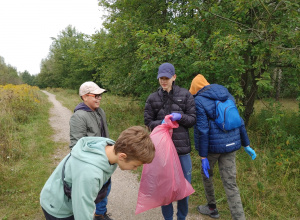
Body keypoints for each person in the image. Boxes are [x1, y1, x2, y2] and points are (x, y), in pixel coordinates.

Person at [40, 126, 155, 220]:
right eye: (135, 165)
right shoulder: (90, 174)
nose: (135, 169)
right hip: (58, 208)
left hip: (66, 194)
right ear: (122, 156)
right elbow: (82, 211)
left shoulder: (109, 147)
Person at [189, 74, 257, 220]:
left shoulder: (199, 100)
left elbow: (202, 129)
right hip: (232, 146)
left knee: (207, 175)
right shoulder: (228, 95)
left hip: (212, 149)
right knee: (231, 183)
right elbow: (239, 121)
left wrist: (202, 156)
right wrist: (246, 144)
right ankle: (239, 218)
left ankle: (212, 209)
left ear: (195, 88)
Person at [144, 62, 196, 220]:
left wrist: (180, 118)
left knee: (184, 188)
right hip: (162, 152)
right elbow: (148, 121)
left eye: (167, 78)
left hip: (182, 150)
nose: (163, 81)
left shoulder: (185, 95)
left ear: (174, 77)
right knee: (164, 189)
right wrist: (160, 124)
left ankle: (181, 217)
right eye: (161, 78)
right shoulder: (153, 98)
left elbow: (193, 119)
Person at [69, 81, 111, 220]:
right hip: (91, 163)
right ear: (85, 97)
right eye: (96, 95)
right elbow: (76, 145)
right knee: (91, 193)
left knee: (106, 188)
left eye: (100, 95)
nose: (99, 98)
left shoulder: (100, 111)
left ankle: (100, 214)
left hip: (104, 158)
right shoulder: (79, 116)